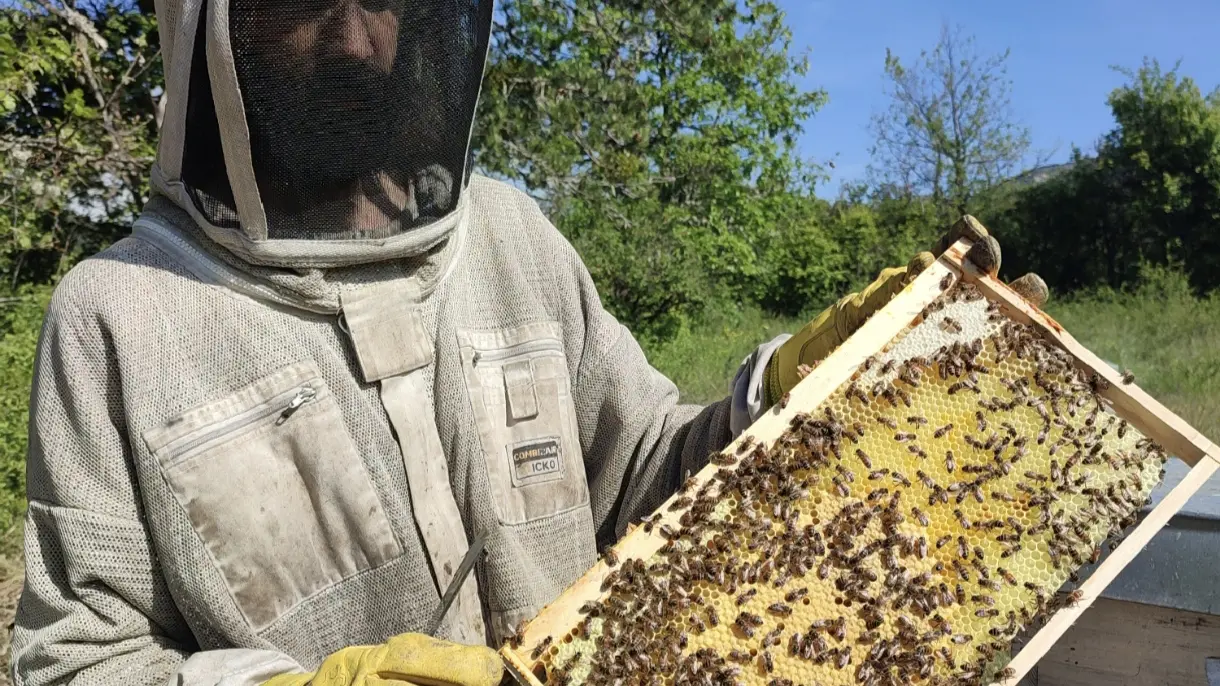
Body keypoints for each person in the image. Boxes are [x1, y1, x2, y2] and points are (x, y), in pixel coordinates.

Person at [9, 1, 1047, 685]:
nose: (358, 38)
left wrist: (786, 389)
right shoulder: (120, 318)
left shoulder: (512, 236)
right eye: (308, 1)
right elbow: (73, 658)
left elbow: (644, 474)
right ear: (214, 34)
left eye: (384, 0)